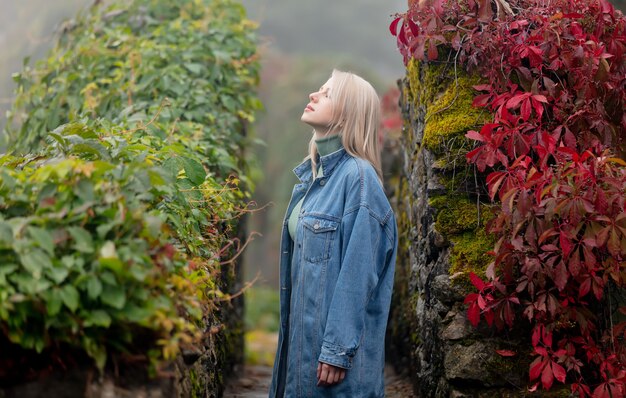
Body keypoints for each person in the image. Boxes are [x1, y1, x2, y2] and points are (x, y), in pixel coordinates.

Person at [268, 69, 399, 397]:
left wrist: (337, 351)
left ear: (347, 114)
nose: (313, 95)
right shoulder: (311, 180)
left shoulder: (359, 179)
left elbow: (359, 275)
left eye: (326, 94)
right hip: (300, 360)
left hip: (335, 372)